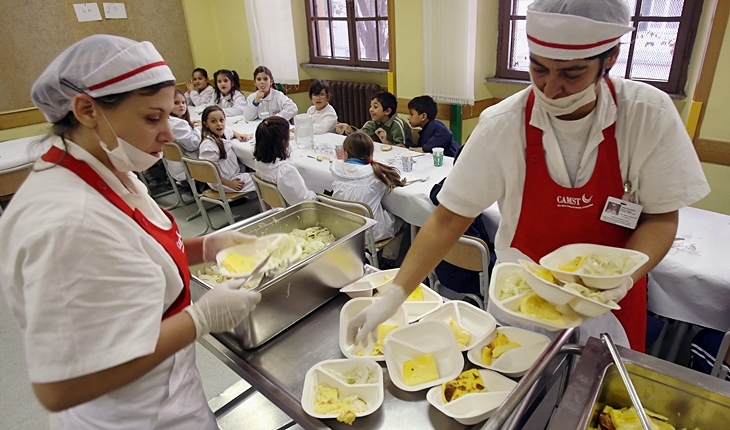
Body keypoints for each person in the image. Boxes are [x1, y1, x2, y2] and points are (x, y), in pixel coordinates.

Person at [347, 0, 710, 353]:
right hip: (521, 298)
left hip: (607, 306)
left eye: (572, 73)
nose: (551, 88)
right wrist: (396, 293)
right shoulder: (503, 125)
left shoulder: (646, 115)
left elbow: (661, 218)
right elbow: (449, 217)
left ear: (610, 58)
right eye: (539, 68)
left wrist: (620, 280)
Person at [0, 34, 261, 429]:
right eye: (151, 118)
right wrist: (199, 320)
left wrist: (206, 246)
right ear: (87, 110)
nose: (169, 134)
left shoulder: (110, 166)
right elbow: (59, 387)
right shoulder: (65, 222)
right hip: (132, 418)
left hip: (173, 394)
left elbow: (137, 246)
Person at [429, 145, 494, 296]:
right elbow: (480, 253)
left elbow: (435, 190)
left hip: (442, 269)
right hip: (470, 277)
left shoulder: (445, 193)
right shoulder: (467, 208)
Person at [330, 132, 405, 241]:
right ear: (371, 154)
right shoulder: (375, 174)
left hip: (342, 231)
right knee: (402, 217)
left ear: (345, 154)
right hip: (371, 234)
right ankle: (390, 256)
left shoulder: (335, 169)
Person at [253, 116, 316, 205]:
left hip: (276, 208)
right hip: (295, 213)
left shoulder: (258, 160)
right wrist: (318, 196)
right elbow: (303, 201)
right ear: (283, 141)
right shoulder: (285, 170)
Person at [198, 106, 255, 193]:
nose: (219, 124)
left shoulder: (221, 132)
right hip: (224, 182)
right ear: (206, 124)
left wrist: (237, 134)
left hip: (232, 176)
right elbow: (209, 171)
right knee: (264, 180)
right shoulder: (208, 146)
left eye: (221, 120)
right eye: (213, 121)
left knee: (262, 176)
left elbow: (229, 131)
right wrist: (229, 183)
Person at [335, 91, 413, 147]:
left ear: (387, 111)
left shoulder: (398, 125)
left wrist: (386, 142)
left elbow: (401, 148)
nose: (371, 110)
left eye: (375, 107)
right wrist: (349, 129)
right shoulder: (372, 123)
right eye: (371, 106)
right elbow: (360, 137)